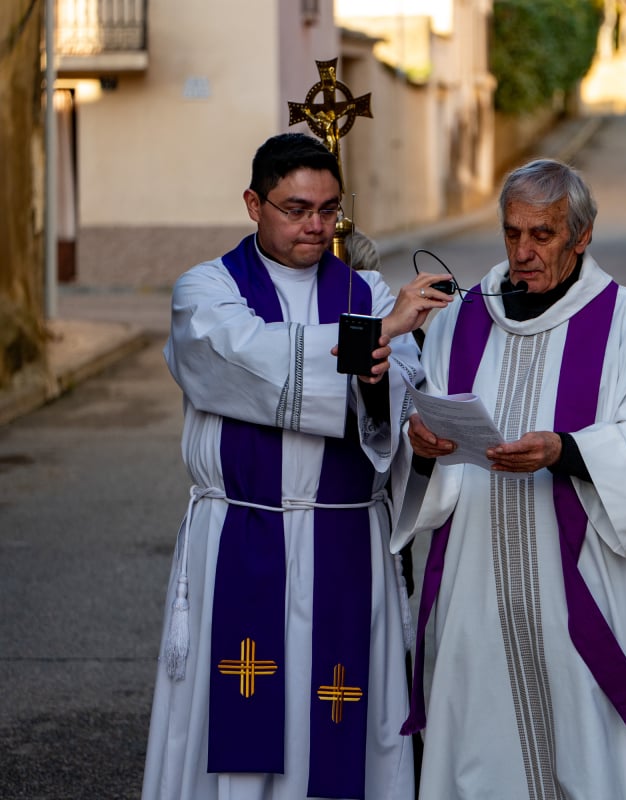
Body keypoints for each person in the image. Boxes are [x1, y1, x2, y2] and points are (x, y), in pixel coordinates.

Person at [141, 131, 451, 800]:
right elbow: (243, 357)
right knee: (239, 717)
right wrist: (378, 334)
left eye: (328, 209)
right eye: (296, 209)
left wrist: (402, 406)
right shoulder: (207, 289)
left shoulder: (368, 290)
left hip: (345, 539)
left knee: (339, 715)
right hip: (240, 535)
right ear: (254, 204)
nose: (316, 226)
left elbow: (402, 391)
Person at [393, 158, 626, 798]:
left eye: (543, 235)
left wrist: (566, 451)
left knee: (591, 745)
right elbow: (430, 427)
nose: (522, 252)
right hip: (479, 580)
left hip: (590, 581)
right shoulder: (461, 319)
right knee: (483, 744)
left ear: (581, 236)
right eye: (512, 233)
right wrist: (422, 445)